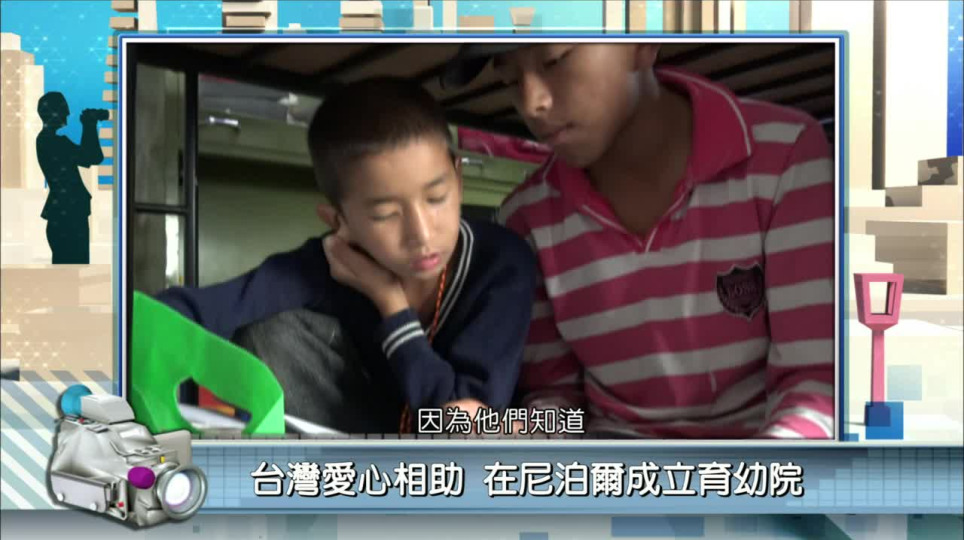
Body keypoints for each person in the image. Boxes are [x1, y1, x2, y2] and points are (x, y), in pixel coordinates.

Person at [443, 44, 834, 439]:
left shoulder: (785, 156)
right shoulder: (526, 219)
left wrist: (760, 475)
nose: (532, 104)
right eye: (510, 80)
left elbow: (814, 384)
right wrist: (514, 435)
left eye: (554, 60)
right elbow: (559, 400)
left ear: (641, 42)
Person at [156, 77, 536, 434]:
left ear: (458, 177)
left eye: (436, 198)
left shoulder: (501, 263)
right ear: (340, 221)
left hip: (453, 453)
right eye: (385, 215)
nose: (422, 234)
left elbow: (459, 423)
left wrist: (390, 304)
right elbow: (212, 307)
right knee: (269, 335)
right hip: (363, 438)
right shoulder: (333, 259)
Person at [36, 92, 106, 264]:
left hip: (65, 214)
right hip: (69, 217)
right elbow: (93, 156)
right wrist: (89, 125)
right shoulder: (54, 142)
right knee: (74, 270)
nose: (67, 113)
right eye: (63, 108)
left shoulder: (46, 141)